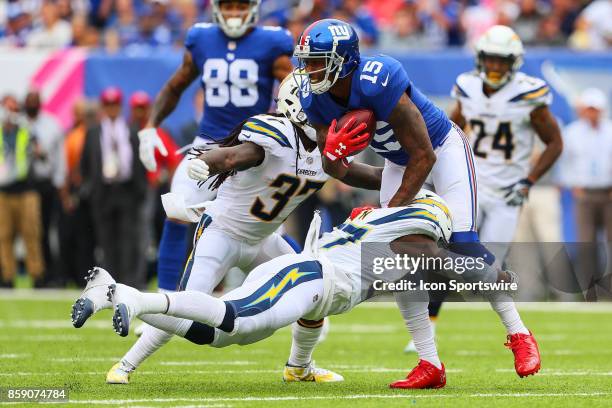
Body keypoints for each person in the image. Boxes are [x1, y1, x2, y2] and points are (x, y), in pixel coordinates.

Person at [73, 77, 382, 384]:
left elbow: (355, 174)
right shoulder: (277, 135)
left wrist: (401, 175)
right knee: (187, 306)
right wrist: (207, 163)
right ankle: (125, 362)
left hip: (264, 239)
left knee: (316, 289)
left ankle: (299, 367)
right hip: (222, 233)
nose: (333, 111)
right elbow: (234, 155)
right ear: (299, 106)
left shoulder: (326, 149)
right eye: (323, 103)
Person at [293, 19, 540, 377]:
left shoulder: (378, 79)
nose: (310, 69)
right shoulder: (313, 98)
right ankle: (430, 363)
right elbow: (339, 171)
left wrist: (388, 215)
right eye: (308, 61)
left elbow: (425, 154)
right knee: (401, 262)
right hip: (398, 161)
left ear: (343, 60)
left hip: (441, 148)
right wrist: (331, 154)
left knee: (464, 245)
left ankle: (519, 334)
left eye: (317, 61)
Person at [403, 25, 565, 351]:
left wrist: (529, 180)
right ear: (480, 58)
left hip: (507, 192)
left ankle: (514, 331)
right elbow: (449, 129)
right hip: (471, 184)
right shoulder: (467, 87)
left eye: (501, 61)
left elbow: (554, 143)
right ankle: (429, 328)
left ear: (514, 62)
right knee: (448, 253)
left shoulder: (529, 95)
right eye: (490, 59)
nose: (494, 67)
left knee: (487, 265)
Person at [136, 0, 294, 301]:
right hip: (207, 146)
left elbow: (294, 91)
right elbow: (175, 86)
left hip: (253, 150)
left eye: (241, 6)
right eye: (229, 6)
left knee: (270, 235)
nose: (234, 13)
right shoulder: (203, 38)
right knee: (176, 207)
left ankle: (308, 296)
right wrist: (150, 125)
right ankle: (163, 302)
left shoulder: (272, 42)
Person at [79, 87, 148, 288]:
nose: (111, 110)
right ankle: (109, 283)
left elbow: (138, 163)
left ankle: (128, 283)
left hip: (127, 190)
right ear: (103, 107)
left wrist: (140, 190)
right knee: (106, 240)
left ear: (120, 107)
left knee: (129, 239)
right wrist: (91, 187)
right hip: (104, 192)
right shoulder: (93, 132)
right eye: (107, 105)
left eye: (115, 105)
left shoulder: (131, 131)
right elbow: (86, 164)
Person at [558, 87, 612, 299]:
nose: (592, 113)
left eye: (595, 109)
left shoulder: (610, 130)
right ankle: (590, 293)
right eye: (589, 109)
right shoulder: (572, 133)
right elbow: (564, 163)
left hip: (608, 193)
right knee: (586, 244)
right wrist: (573, 185)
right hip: (585, 194)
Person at [0, 95, 45, 288]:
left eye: (14, 109)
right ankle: (7, 276)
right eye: (7, 108)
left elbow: (40, 151)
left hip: (26, 190)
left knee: (31, 233)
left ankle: (36, 275)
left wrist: (37, 150)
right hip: (3, 191)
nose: (11, 113)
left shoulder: (27, 131)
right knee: (4, 235)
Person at [23, 90, 66, 287]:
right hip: (23, 183)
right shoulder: (18, 124)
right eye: (29, 100)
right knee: (31, 231)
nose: (32, 104)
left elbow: (59, 157)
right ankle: (35, 272)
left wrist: (59, 182)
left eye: (35, 100)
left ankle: (49, 272)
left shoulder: (51, 125)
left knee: (47, 230)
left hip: (45, 183)